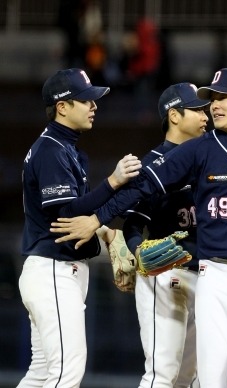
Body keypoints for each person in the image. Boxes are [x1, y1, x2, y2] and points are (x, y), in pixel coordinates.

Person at [50, 67, 227, 388]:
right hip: (212, 273)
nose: (213, 105)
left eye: (222, 97)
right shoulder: (200, 149)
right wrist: (98, 219)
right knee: (211, 375)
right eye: (210, 98)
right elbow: (142, 186)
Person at [19, 68, 141, 388]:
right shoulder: (51, 149)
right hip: (54, 271)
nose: (94, 105)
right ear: (62, 106)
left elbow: (79, 217)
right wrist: (114, 182)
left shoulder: (67, 149)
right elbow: (66, 213)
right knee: (66, 372)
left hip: (54, 272)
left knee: (42, 373)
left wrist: (106, 232)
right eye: (85, 100)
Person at [121, 83, 209, 388]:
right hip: (167, 273)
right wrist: (138, 250)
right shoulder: (151, 165)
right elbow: (132, 223)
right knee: (162, 374)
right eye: (197, 109)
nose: (205, 115)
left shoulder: (210, 157)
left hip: (208, 276)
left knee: (189, 377)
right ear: (174, 115)